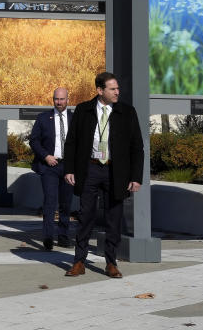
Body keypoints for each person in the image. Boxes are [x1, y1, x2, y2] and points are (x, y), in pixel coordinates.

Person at [62, 71, 144, 279]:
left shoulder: (127, 112)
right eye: (113, 89)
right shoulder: (83, 110)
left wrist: (136, 177)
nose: (118, 92)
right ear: (100, 90)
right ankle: (79, 261)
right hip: (89, 170)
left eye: (118, 88)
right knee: (85, 216)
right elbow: (71, 142)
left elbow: (137, 147)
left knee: (113, 219)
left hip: (115, 172)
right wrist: (69, 169)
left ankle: (111, 262)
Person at [29, 86, 74, 250]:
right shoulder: (43, 118)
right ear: (53, 99)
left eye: (62, 99)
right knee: (50, 202)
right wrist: (46, 156)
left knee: (66, 203)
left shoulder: (74, 118)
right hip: (49, 167)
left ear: (68, 100)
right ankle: (48, 237)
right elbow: (33, 141)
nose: (59, 102)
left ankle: (63, 237)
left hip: (68, 167)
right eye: (56, 99)